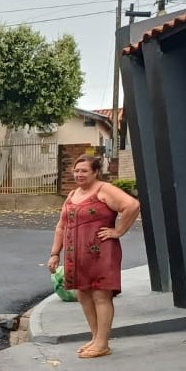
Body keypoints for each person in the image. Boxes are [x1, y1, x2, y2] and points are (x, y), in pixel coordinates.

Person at [47, 154, 141, 359]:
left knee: (100, 295)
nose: (79, 174)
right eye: (76, 170)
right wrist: (55, 253)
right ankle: (96, 337)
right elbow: (61, 226)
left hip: (101, 253)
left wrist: (118, 231)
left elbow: (132, 206)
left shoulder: (104, 190)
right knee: (83, 294)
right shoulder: (72, 194)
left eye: (84, 171)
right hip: (76, 256)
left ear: (95, 172)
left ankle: (102, 343)